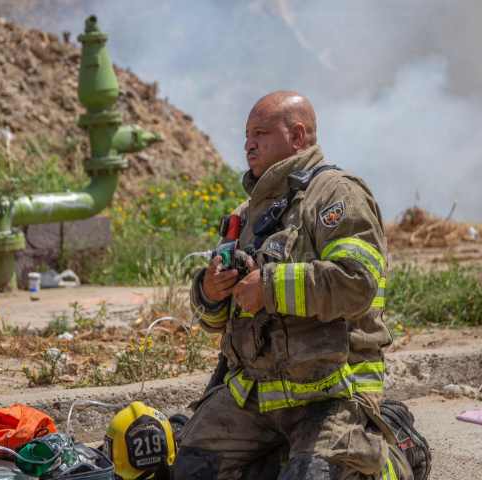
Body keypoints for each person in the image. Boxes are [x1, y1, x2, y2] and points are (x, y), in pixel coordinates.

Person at [173, 91, 412, 480]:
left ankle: (394, 457)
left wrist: (269, 286)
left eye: (261, 133)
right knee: (189, 471)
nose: (248, 143)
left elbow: (357, 282)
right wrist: (211, 291)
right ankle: (289, 459)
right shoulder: (244, 215)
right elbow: (214, 320)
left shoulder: (336, 194)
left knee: (311, 476)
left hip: (332, 391)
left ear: (298, 136)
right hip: (255, 394)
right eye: (247, 135)